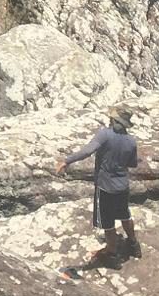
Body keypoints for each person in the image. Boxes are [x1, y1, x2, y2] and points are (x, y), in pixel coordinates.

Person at [56, 106, 140, 263]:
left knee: (107, 223)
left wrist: (67, 161)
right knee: (124, 215)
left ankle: (111, 252)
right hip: (122, 186)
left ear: (113, 120)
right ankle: (134, 244)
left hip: (105, 187)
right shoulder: (131, 141)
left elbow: (88, 151)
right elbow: (133, 164)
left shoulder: (105, 134)